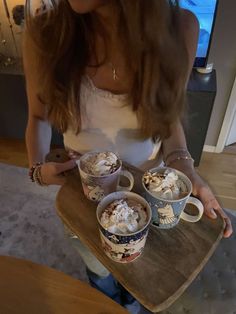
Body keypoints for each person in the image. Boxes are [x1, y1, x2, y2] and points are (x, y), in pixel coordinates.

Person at [23, 0, 233, 312]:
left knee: (138, 270)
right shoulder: (45, 32)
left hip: (147, 194)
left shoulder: (180, 29)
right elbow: (39, 118)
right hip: (82, 196)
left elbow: (168, 121)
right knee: (97, 267)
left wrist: (186, 169)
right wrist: (37, 169)